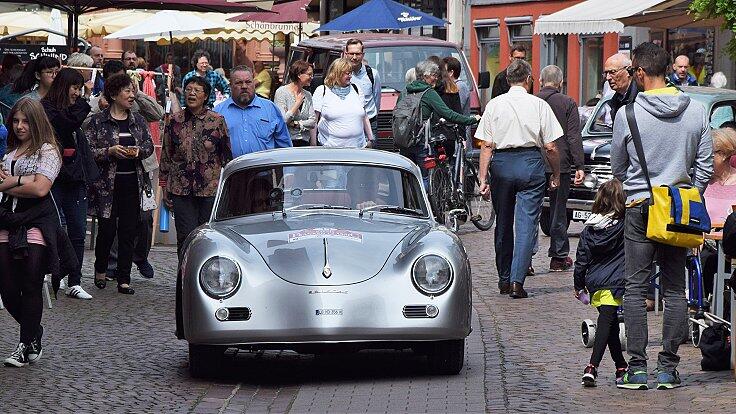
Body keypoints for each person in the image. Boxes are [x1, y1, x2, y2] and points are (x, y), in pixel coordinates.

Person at [610, 42, 713, 390]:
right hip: (679, 209)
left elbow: (618, 167)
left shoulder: (628, 114)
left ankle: (637, 369)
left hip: (640, 207)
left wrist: (642, 187)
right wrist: (686, 194)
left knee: (636, 289)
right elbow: (705, 167)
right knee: (675, 289)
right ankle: (668, 368)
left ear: (639, 72)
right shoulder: (697, 111)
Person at [476, 58, 562, 299]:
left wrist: (483, 178)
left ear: (506, 80)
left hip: (502, 164)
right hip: (530, 163)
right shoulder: (538, 105)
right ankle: (517, 281)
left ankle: (503, 279)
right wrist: (555, 174)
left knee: (503, 222)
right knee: (526, 225)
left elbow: (486, 145)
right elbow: (551, 146)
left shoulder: (494, 105)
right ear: (528, 80)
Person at [0, 98, 64, 367]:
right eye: (15, 121)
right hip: (7, 220)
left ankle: (23, 345)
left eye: (25, 121)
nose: (19, 126)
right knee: (7, 288)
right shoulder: (10, 152)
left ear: (36, 121)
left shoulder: (48, 151)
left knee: (31, 284)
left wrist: (9, 182)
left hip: (37, 221)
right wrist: (26, 180)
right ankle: (34, 332)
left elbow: (41, 189)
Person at [85, 73, 156, 295]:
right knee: (106, 231)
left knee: (128, 231)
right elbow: (88, 151)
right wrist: (110, 151)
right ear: (114, 94)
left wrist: (138, 151)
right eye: (127, 91)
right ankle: (100, 270)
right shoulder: (98, 121)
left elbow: (148, 146)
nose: (132, 95)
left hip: (132, 183)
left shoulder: (138, 120)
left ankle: (124, 278)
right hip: (106, 186)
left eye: (133, 91)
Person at [42, 68, 99, 300]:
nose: (77, 93)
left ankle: (74, 280)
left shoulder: (73, 109)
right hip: (53, 176)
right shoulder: (47, 108)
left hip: (75, 176)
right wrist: (86, 102)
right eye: (74, 88)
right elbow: (66, 124)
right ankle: (54, 272)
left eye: (79, 88)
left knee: (77, 230)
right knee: (54, 228)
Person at [160, 76, 232, 256]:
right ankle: (183, 280)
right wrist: (164, 186)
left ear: (206, 96)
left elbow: (226, 156)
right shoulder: (175, 121)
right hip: (180, 189)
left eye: (197, 90)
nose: (191, 93)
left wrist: (228, 189)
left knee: (207, 236)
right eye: (188, 89)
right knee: (185, 236)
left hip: (209, 189)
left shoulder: (217, 120)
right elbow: (167, 154)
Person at [574, 179, 628, 387]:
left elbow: (581, 261)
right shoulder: (624, 226)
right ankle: (592, 366)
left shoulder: (589, 229)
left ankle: (620, 366)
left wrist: (579, 286)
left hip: (595, 282)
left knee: (610, 323)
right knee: (607, 322)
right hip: (615, 281)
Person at [536, 65, 585, 271]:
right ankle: (558, 256)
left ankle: (525, 260)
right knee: (558, 210)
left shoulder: (533, 101)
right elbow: (574, 136)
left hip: (536, 161)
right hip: (561, 163)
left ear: (540, 81)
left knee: (531, 210)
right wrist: (579, 164)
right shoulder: (567, 102)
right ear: (561, 82)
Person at [401, 59, 479, 185]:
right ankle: (427, 204)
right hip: (422, 141)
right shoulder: (428, 93)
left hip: (405, 140)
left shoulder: (405, 91)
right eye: (434, 76)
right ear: (425, 76)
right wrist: (470, 120)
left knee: (407, 177)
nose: (436, 79)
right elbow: (448, 113)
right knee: (426, 178)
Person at [214, 65, 291, 157]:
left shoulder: (270, 108)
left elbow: (284, 146)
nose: (244, 86)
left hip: (265, 169)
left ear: (253, 84)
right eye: (238, 83)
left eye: (248, 82)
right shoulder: (218, 112)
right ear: (230, 86)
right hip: (232, 170)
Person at [699, 128, 736, 297]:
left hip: (732, 244)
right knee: (705, 259)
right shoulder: (702, 183)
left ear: (723, 155)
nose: (705, 159)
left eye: (710, 154)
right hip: (707, 242)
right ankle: (705, 307)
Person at [313, 58, 374, 148]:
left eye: (351, 73)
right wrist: (313, 144)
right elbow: (314, 120)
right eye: (347, 73)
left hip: (358, 148)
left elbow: (364, 116)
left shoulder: (356, 89)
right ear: (337, 73)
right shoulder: (322, 90)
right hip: (330, 149)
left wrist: (370, 139)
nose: (350, 76)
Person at [344, 38, 381, 140]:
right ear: (346, 54)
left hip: (370, 122)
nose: (354, 57)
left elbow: (376, 99)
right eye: (351, 54)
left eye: (358, 54)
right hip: (348, 123)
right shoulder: (339, 75)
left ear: (363, 55)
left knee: (371, 154)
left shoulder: (373, 74)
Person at [274, 60, 317, 146]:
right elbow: (283, 120)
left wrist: (296, 124)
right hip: (287, 142)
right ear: (299, 75)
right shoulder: (282, 92)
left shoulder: (307, 95)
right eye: (309, 74)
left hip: (304, 142)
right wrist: (297, 104)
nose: (312, 77)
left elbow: (312, 121)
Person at [604, 53, 638, 123]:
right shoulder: (615, 100)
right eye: (606, 73)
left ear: (628, 71)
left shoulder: (639, 97)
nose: (608, 78)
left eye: (612, 72)